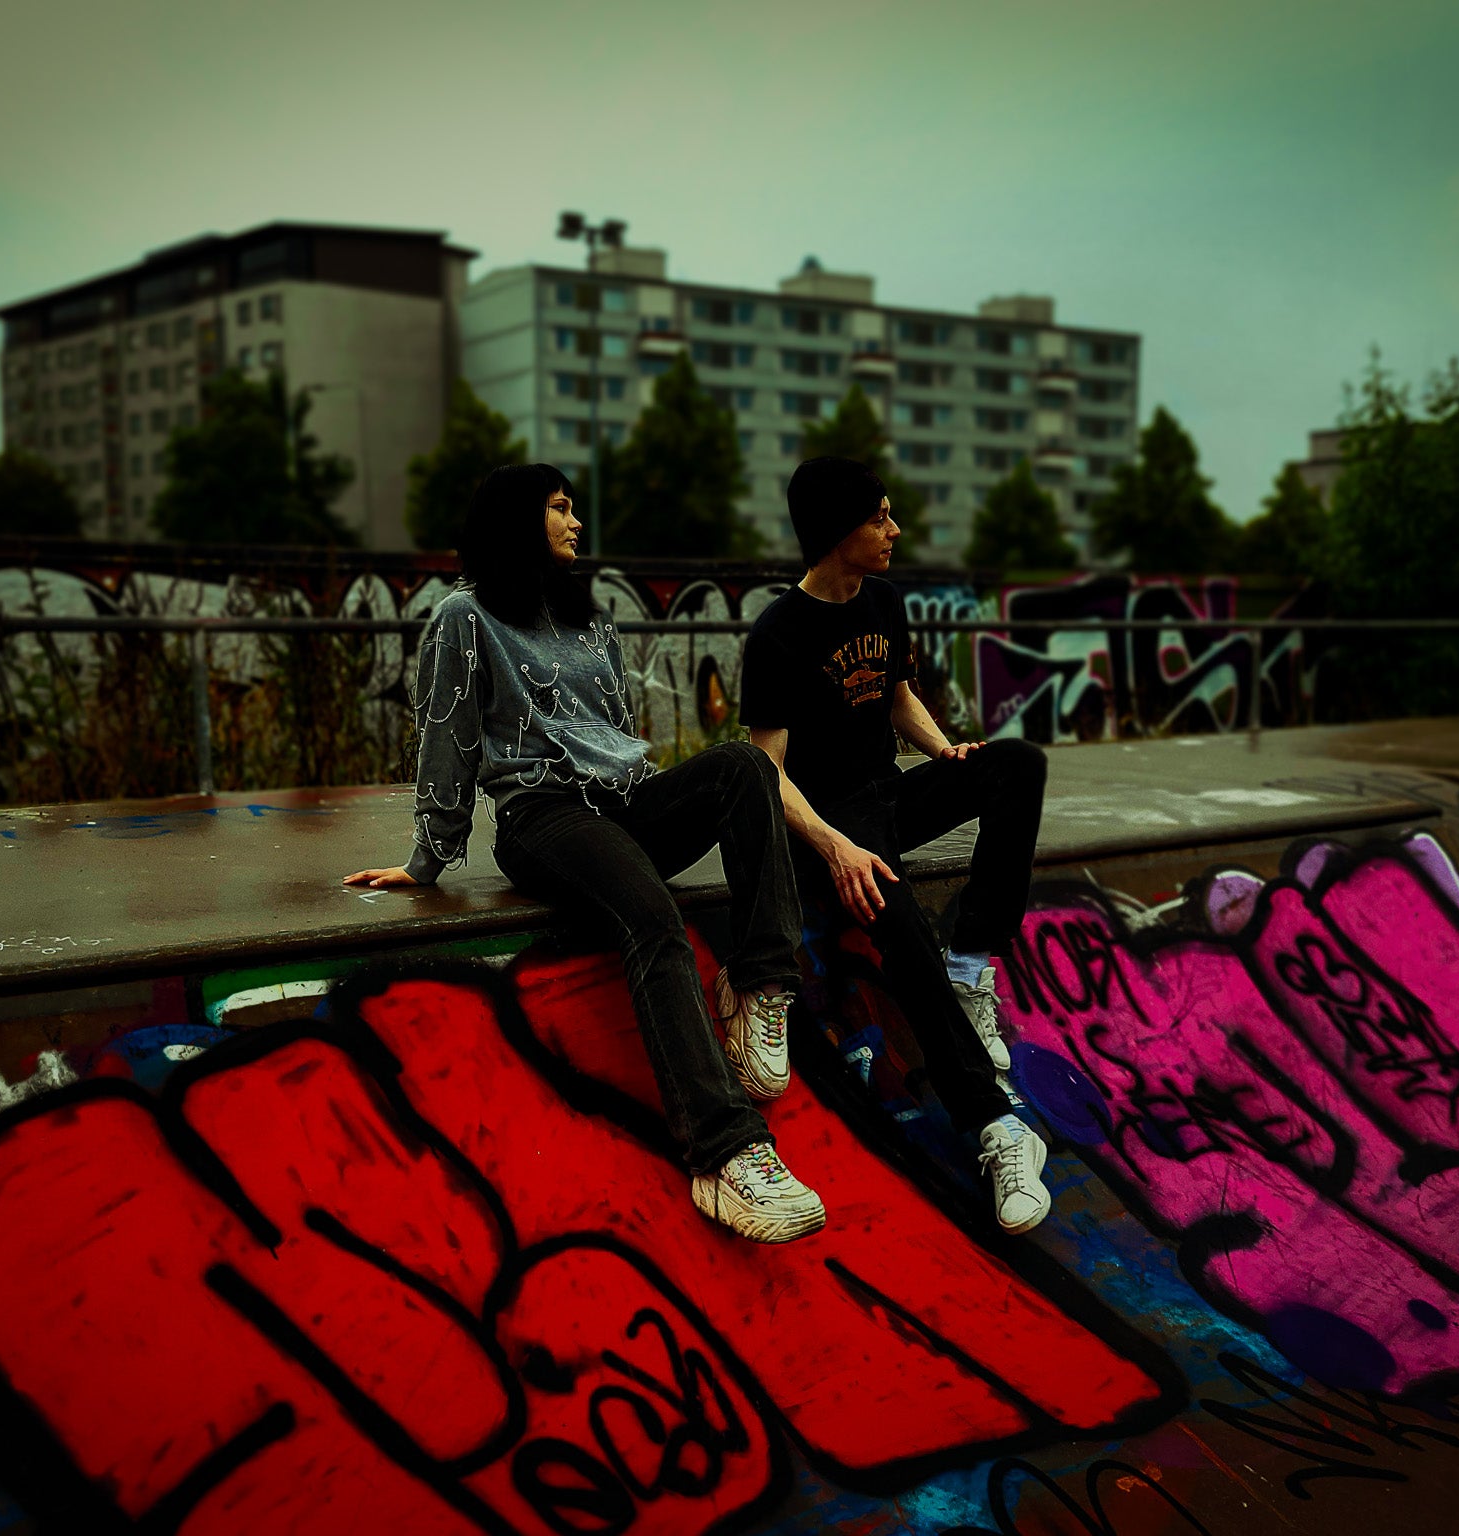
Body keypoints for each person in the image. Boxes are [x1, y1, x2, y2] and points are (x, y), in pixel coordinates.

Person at [343, 463, 825, 1243]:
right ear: (517, 521)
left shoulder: (588, 617)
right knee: (654, 920)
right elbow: (447, 738)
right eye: (561, 508)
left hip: (623, 803)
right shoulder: (464, 618)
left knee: (744, 766)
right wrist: (428, 857)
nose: (576, 522)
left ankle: (760, 987)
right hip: (544, 817)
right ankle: (725, 1153)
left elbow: (615, 731)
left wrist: (653, 801)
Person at [737, 455, 1054, 1234]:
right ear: (836, 529)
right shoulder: (777, 635)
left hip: (890, 794)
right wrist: (835, 849)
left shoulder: (883, 600)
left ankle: (970, 963)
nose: (895, 530)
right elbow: (766, 771)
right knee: (900, 922)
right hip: (831, 823)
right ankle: (996, 1128)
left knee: (1016, 764)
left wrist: (946, 751)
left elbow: (898, 697)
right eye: (879, 517)